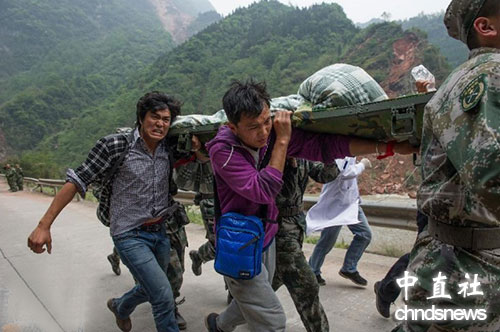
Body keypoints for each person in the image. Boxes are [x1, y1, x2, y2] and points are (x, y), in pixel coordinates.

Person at [203, 80, 417, 332]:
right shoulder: (222, 150)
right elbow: (262, 190)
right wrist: (282, 141)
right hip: (238, 241)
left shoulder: (269, 135)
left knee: (254, 299)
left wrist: (388, 147)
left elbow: (324, 147)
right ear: (233, 127)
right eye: (253, 127)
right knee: (272, 320)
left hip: (267, 236)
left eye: (266, 121)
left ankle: (218, 325)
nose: (262, 132)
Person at [27, 91, 196, 332]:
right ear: (141, 117)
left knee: (151, 288)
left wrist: (199, 149)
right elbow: (77, 180)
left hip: (160, 231)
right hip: (129, 234)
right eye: (154, 117)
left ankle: (120, 306)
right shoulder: (115, 145)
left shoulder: (168, 147)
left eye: (166, 119)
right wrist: (44, 225)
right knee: (162, 295)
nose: (160, 124)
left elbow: (199, 153)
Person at [392, 1, 500, 331]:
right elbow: (492, 176)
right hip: (467, 265)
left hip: (452, 258)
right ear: (486, 27)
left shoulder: (461, 80)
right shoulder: (490, 74)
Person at [272, 158, 339, 332]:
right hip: (278, 229)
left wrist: (330, 155)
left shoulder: (302, 153)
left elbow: (325, 175)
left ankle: (236, 309)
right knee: (306, 285)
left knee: (274, 279)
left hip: (296, 226)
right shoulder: (271, 151)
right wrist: (289, 164)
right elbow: (284, 193)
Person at [308, 157, 373, 287]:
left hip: (351, 203)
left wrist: (356, 197)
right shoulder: (338, 151)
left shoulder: (351, 154)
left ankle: (349, 268)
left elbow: (351, 180)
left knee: (365, 234)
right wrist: (362, 165)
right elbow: (345, 174)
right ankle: (312, 271)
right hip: (335, 205)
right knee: (327, 241)